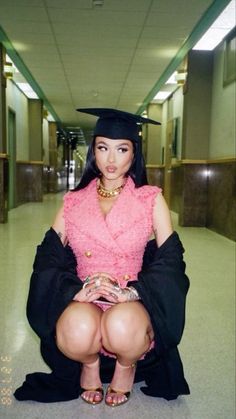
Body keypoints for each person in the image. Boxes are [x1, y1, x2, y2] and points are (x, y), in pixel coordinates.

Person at [14, 108, 190, 405]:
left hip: (130, 298)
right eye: (102, 148)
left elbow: (170, 260)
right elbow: (48, 255)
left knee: (122, 327)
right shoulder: (73, 201)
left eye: (121, 149)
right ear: (93, 150)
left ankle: (125, 366)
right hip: (88, 294)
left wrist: (134, 291)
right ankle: (90, 365)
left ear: (134, 154)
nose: (111, 159)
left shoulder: (149, 197)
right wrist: (74, 290)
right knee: (74, 330)